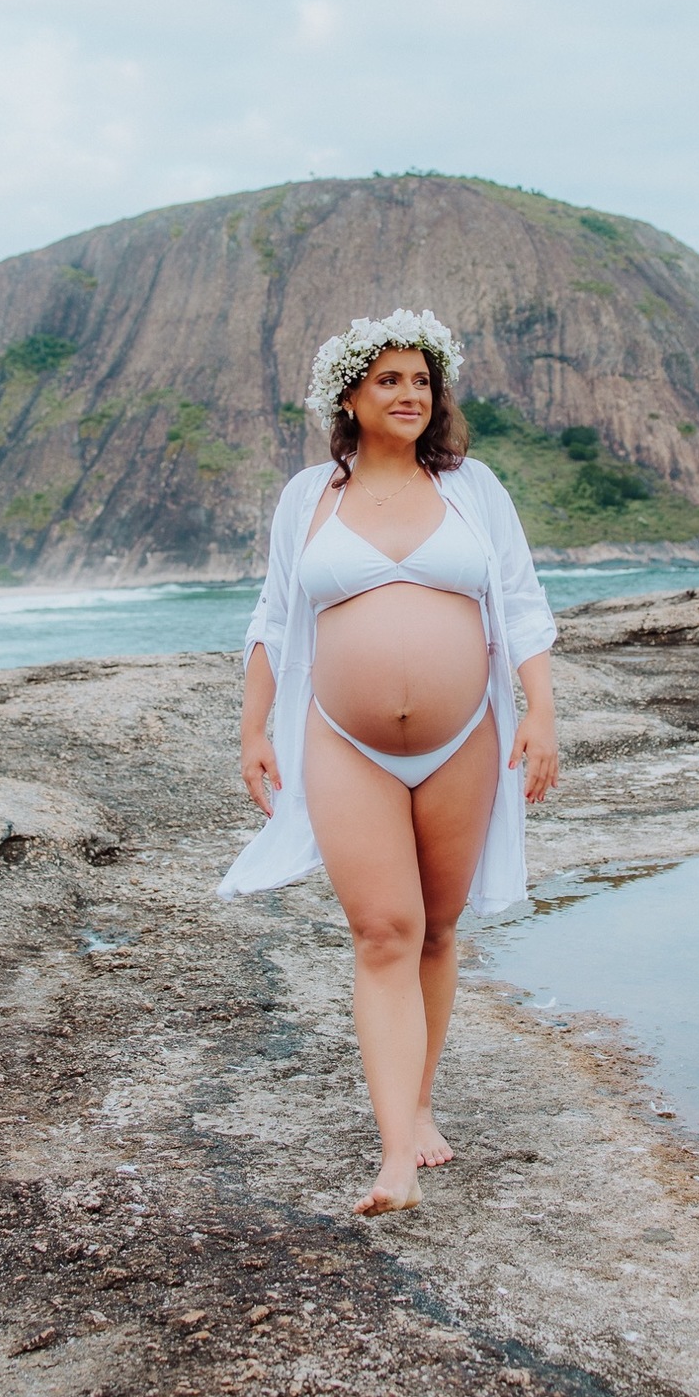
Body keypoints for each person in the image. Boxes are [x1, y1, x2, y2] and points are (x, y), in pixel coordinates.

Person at [217, 308, 558, 1217]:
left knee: (437, 930)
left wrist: (541, 712)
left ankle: (419, 1101)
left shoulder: (473, 488)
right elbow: (274, 617)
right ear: (349, 397)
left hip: (463, 740)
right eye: (389, 381)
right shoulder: (309, 498)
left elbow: (521, 601)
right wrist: (253, 731)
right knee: (382, 933)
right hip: (343, 740)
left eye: (422, 381)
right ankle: (395, 1156)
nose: (410, 395)